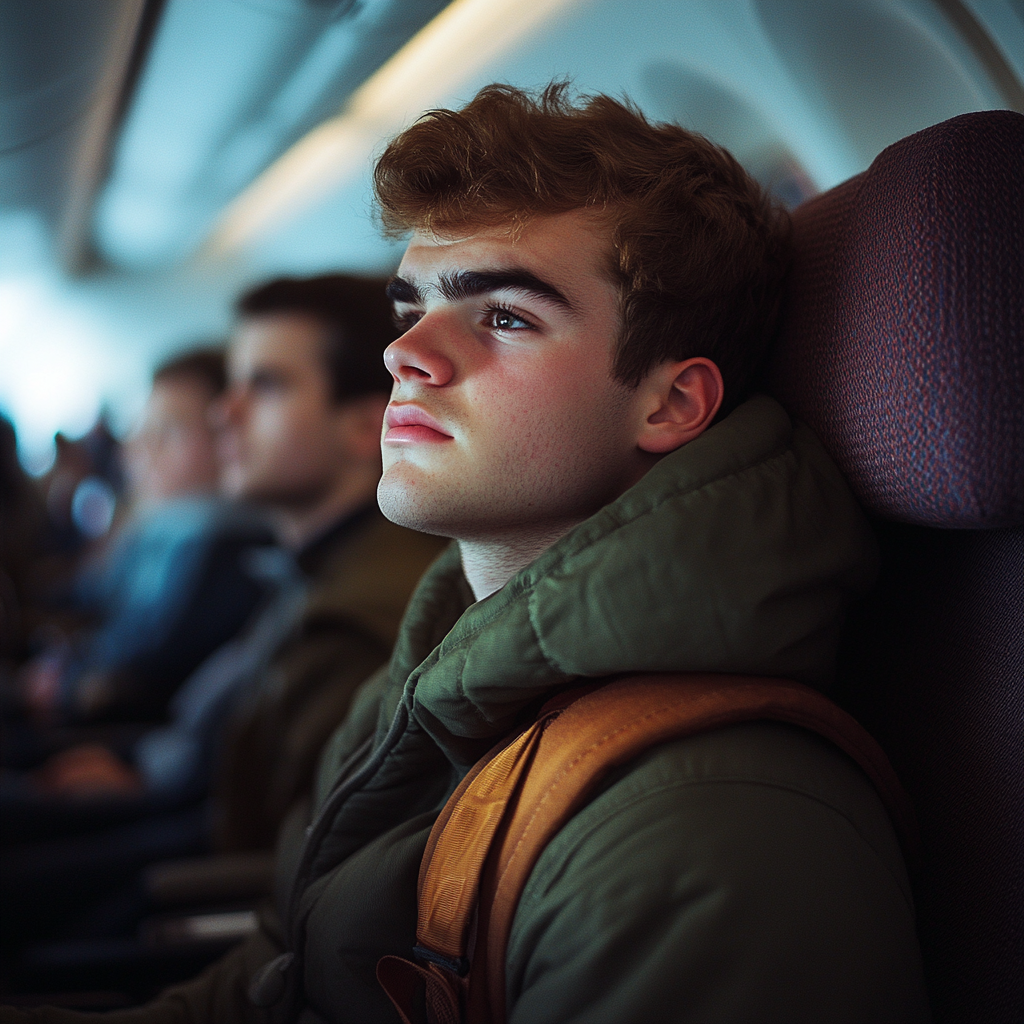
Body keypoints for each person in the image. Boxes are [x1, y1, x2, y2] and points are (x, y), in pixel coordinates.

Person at [1, 85, 928, 1022]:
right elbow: (272, 984)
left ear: (671, 403)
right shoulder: (437, 660)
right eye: (415, 306)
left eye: (507, 317)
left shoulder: (718, 835)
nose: (407, 353)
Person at [0, 276, 446, 956]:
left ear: (363, 424)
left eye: (265, 385)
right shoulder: (313, 569)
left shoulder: (358, 610)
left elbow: (273, 851)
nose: (224, 414)